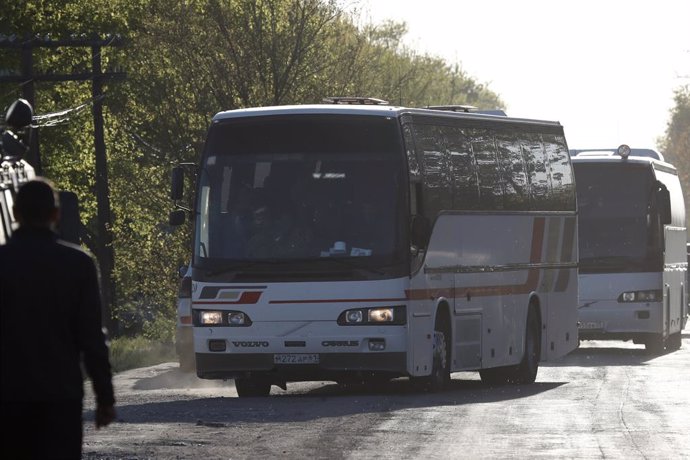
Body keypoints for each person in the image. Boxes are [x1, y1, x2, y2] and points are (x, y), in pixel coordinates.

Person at [0, 178, 116, 459]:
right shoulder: (78, 264)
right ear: (56, 214)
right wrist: (104, 398)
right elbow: (91, 338)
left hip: (7, 398)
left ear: (15, 214)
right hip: (61, 397)